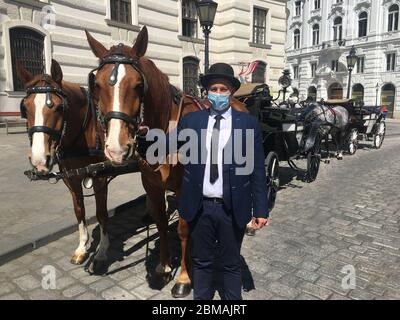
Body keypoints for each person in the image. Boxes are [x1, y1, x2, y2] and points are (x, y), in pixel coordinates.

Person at [141, 63, 270, 300]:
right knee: (201, 262)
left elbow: (258, 170)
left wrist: (261, 209)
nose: (218, 93)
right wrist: (141, 135)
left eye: (223, 89)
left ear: (231, 92)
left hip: (232, 207)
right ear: (206, 93)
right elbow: (165, 144)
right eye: (214, 89)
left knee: (231, 263)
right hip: (199, 207)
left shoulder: (247, 123)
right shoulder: (193, 121)